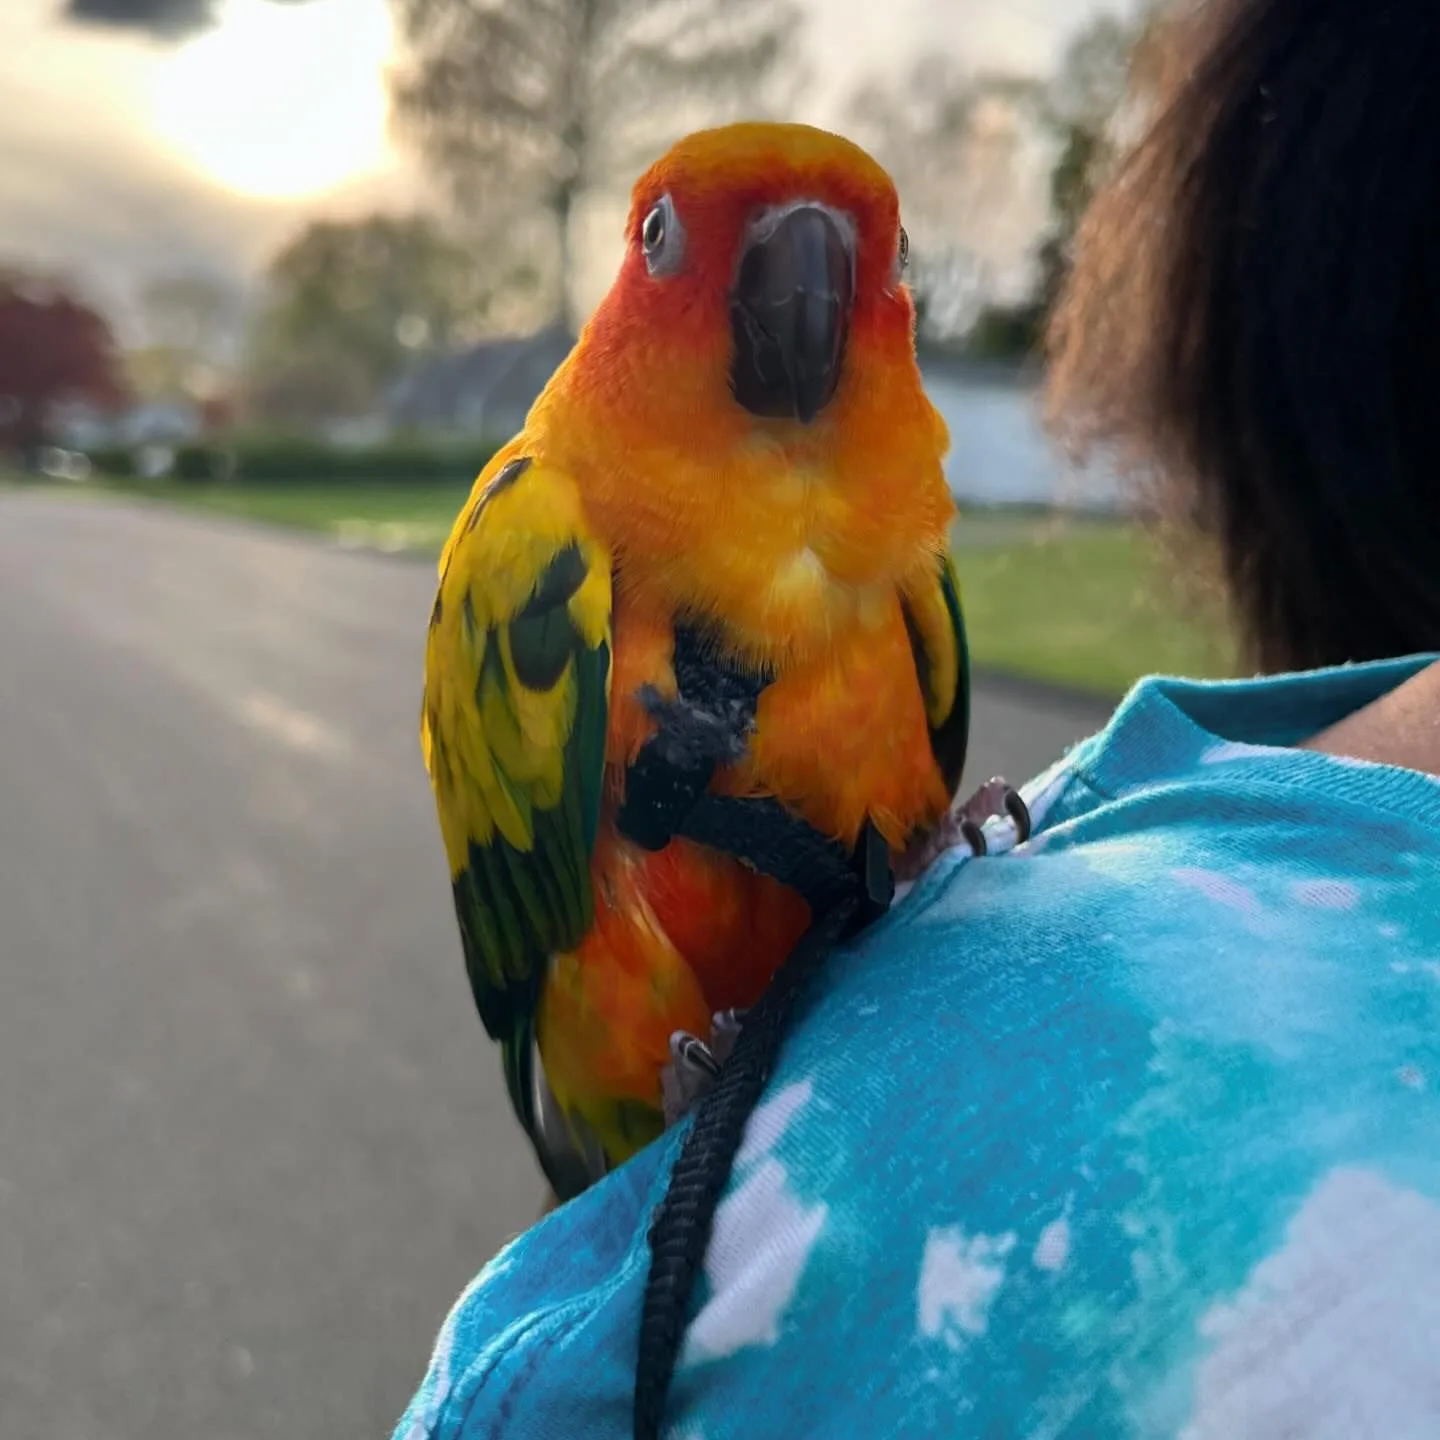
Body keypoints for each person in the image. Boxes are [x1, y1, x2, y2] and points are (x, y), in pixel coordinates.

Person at [392, 0, 1440, 1433]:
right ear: (624, 277)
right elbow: (530, 950)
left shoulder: (905, 566)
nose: (799, 273)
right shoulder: (534, 545)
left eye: (867, 255)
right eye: (671, 240)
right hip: (637, 1077)